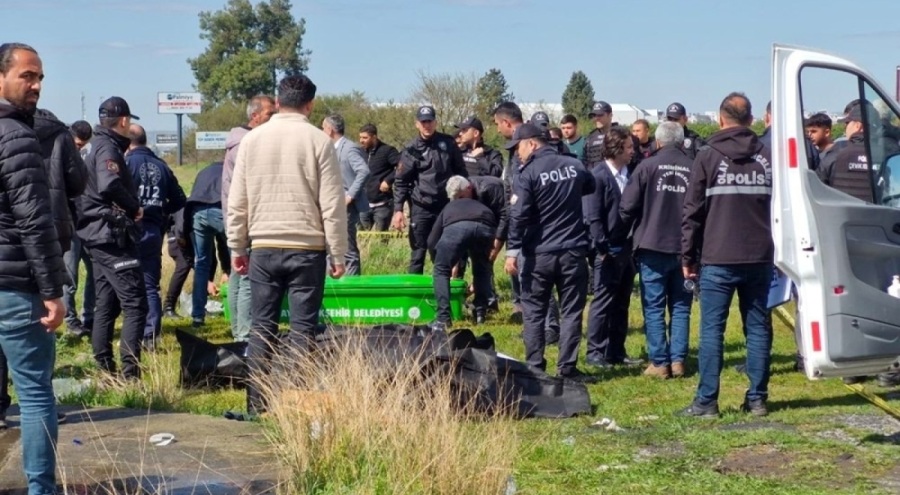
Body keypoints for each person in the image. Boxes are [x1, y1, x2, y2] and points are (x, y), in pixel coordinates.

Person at [227, 74, 348, 416]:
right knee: (302, 331)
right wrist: (338, 253)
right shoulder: (320, 141)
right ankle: (296, 406)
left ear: (278, 102)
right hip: (308, 249)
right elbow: (332, 204)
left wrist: (237, 247)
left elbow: (238, 200)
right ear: (310, 105)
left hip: (263, 246)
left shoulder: (252, 140)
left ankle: (257, 405)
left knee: (261, 328)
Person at [0, 42, 71, 493]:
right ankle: (41, 489)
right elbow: (33, 219)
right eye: (27, 75)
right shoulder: (17, 136)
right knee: (35, 393)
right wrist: (52, 290)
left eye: (40, 76)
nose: (37, 85)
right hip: (16, 286)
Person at [680, 92, 774, 418]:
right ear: (751, 120)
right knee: (758, 328)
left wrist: (687, 256)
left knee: (711, 331)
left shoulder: (707, 155)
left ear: (720, 119)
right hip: (760, 255)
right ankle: (758, 399)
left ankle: (706, 401)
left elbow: (692, 212)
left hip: (718, 256)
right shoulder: (768, 156)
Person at [504, 123, 595, 381]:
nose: (517, 154)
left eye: (518, 148)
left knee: (534, 312)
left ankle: (534, 368)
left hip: (539, 254)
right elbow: (590, 186)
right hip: (572, 251)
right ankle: (567, 369)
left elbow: (518, 216)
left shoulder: (527, 174)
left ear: (532, 143)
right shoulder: (574, 165)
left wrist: (512, 252)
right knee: (571, 312)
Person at [77, 96, 146, 380]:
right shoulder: (107, 147)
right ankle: (131, 375)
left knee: (106, 302)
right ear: (124, 121)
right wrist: (134, 206)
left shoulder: (94, 145)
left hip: (95, 234)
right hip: (110, 236)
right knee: (136, 303)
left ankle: (106, 369)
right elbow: (109, 184)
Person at [620, 122, 694, 378]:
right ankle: (678, 360)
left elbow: (627, 206)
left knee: (653, 306)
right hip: (685, 248)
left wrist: (622, 235)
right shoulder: (694, 167)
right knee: (681, 306)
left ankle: (660, 362)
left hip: (652, 245)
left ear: (658, 142)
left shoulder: (647, 166)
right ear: (681, 142)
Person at [492, 102, 561, 336]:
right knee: (527, 280)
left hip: (534, 225)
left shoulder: (528, 144)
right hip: (521, 221)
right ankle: (536, 327)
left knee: (537, 280)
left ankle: (549, 326)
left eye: (497, 124)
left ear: (506, 122)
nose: (497, 129)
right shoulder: (515, 148)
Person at [584, 126, 642, 368]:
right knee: (603, 300)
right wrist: (603, 249)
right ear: (616, 148)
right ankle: (595, 352)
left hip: (627, 248)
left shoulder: (631, 174)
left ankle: (616, 351)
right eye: (628, 147)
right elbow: (593, 217)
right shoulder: (598, 176)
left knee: (622, 301)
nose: (632, 151)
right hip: (607, 251)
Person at [125, 124, 185, 350]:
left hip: (130, 228)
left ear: (128, 142)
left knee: (127, 284)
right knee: (150, 284)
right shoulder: (162, 165)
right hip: (153, 229)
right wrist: (160, 211)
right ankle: (150, 335)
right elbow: (179, 199)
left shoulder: (126, 163)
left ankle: (131, 334)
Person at [221, 95, 275, 342]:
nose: (274, 119)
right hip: (247, 218)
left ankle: (238, 329)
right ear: (255, 116)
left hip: (235, 216)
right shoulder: (248, 143)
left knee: (237, 274)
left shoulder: (237, 141)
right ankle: (244, 335)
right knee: (247, 278)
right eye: (269, 114)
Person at [391, 105, 467, 274]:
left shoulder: (448, 143)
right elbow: (401, 181)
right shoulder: (411, 149)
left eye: (430, 121)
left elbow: (461, 172)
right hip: (421, 207)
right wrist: (398, 210)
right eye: (423, 122)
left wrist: (462, 200)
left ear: (435, 122)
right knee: (418, 253)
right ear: (417, 124)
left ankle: (445, 286)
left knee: (444, 249)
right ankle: (415, 290)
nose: (427, 125)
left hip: (446, 206)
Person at [428, 176, 497, 328]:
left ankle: (443, 318)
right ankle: (480, 313)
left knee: (441, 270)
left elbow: (432, 239)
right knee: (481, 269)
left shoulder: (449, 207)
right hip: (486, 224)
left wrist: (437, 258)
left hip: (457, 227)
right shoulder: (479, 203)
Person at [185, 161, 230, 327]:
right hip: (220, 210)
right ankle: (238, 314)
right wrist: (227, 269)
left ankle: (198, 316)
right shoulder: (230, 169)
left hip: (197, 213)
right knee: (240, 260)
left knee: (201, 264)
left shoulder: (204, 171)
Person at [323, 114, 369, 276]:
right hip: (332, 204)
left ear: (330, 129)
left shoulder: (350, 148)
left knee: (347, 248)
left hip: (346, 207)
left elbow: (364, 171)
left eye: (323, 128)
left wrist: (350, 195)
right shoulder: (330, 148)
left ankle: (352, 285)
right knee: (331, 246)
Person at [63, 120, 95, 338]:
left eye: (83, 145)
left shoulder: (90, 158)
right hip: (71, 226)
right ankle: (71, 320)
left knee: (95, 274)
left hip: (89, 224)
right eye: (77, 144)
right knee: (70, 278)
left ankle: (89, 317)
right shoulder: (60, 157)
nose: (80, 148)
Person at [359, 123, 399, 231]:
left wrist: (388, 180)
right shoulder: (360, 152)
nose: (361, 140)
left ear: (374, 137)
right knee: (362, 238)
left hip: (382, 204)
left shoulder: (387, 150)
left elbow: (402, 167)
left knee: (381, 238)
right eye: (360, 137)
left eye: (365, 138)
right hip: (363, 204)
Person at [806, 113, 846, 179]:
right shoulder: (814, 155)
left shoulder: (838, 154)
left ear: (827, 132)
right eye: (808, 132)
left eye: (813, 131)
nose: (810, 135)